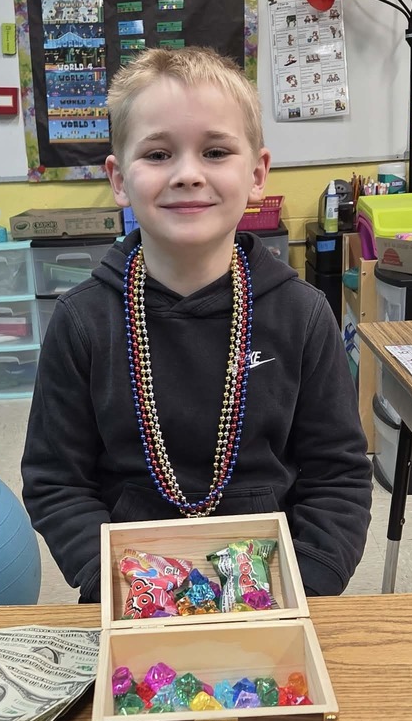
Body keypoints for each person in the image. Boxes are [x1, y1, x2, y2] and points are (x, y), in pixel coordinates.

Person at [22, 46, 371, 603]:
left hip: (276, 590)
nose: (188, 174)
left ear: (257, 173)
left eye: (214, 151)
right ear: (118, 179)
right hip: (128, 589)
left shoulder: (302, 314)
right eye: (158, 154)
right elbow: (55, 480)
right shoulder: (82, 321)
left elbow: (339, 475)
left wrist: (304, 584)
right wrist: (112, 579)